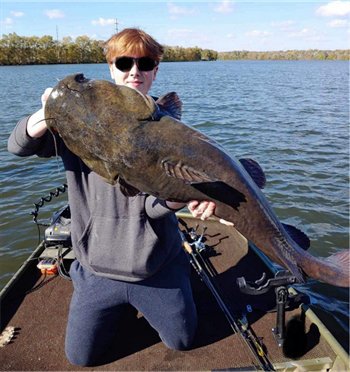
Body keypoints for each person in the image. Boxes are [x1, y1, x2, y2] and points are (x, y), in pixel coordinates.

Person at [8, 28, 232, 367]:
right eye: (125, 62)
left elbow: (153, 206)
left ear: (156, 70)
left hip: (156, 265)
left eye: (145, 63)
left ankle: (180, 276)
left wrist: (183, 198)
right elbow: (18, 145)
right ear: (111, 67)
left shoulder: (165, 125)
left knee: (182, 341)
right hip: (97, 266)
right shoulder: (77, 119)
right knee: (81, 357)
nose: (134, 71)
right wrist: (49, 110)